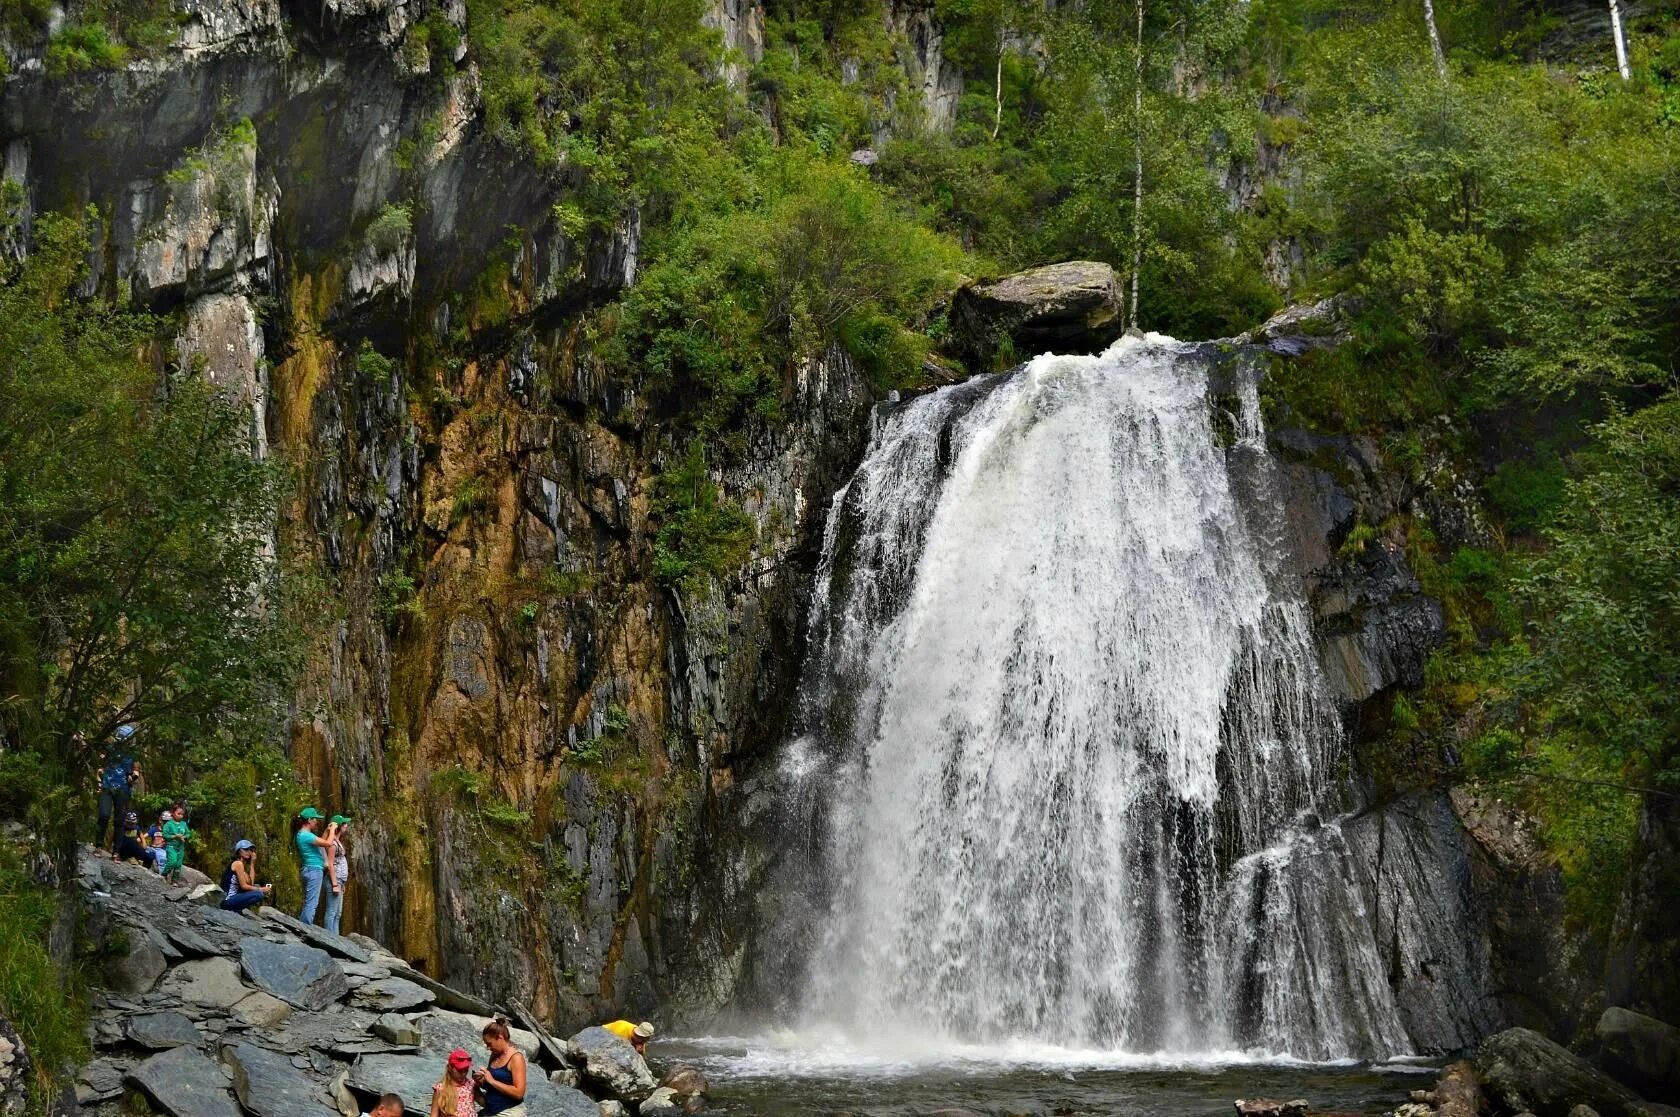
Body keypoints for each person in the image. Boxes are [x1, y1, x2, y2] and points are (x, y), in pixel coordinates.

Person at [95, 725, 140, 854]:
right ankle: (98, 845)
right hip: (107, 787)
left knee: (119, 820)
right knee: (104, 815)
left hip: (123, 790)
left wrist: (132, 777)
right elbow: (100, 766)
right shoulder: (109, 750)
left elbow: (136, 771)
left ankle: (116, 851)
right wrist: (99, 782)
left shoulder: (133, 754)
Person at [474, 1018, 527, 1116]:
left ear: (500, 1037)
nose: (488, 1048)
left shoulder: (516, 1058)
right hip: (491, 1108)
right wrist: (481, 1080)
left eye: (489, 1044)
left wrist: (492, 1081)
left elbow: (519, 1093)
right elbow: (491, 1084)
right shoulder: (495, 1054)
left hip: (508, 1111)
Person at [293, 807, 335, 925]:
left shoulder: (302, 835)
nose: (317, 821)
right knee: (312, 903)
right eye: (315, 819)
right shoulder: (307, 835)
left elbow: (320, 841)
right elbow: (327, 843)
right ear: (309, 820)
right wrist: (332, 831)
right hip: (314, 870)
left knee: (309, 901)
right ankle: (304, 928)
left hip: (308, 869)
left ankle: (301, 927)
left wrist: (327, 831)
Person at [221, 839, 273, 912]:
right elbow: (244, 886)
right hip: (228, 900)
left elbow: (250, 883)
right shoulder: (238, 864)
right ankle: (235, 909)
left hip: (233, 898)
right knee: (258, 894)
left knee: (256, 886)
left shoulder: (241, 865)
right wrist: (261, 889)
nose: (249, 852)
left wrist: (252, 863)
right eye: (245, 849)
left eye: (250, 850)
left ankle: (237, 910)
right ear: (239, 851)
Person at [322, 814, 352, 935]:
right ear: (339, 826)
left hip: (340, 881)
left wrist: (342, 883)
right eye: (344, 823)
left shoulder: (337, 841)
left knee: (338, 913)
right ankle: (329, 939)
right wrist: (335, 884)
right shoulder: (333, 844)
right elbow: (330, 864)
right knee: (331, 912)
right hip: (334, 881)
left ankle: (337, 940)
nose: (346, 825)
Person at [429, 1049, 475, 1117]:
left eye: (466, 1070)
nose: (463, 1073)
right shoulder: (440, 1089)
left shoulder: (471, 1084)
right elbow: (434, 1114)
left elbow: (486, 1103)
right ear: (450, 1067)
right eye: (459, 1070)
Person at [161, 802, 191, 882]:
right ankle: (164, 873)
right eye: (179, 813)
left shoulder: (183, 824)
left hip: (180, 847)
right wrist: (175, 836)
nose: (181, 815)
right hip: (171, 846)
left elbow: (188, 833)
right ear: (173, 813)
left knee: (178, 865)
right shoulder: (168, 824)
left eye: (182, 814)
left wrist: (184, 836)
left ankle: (175, 880)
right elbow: (165, 835)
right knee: (172, 862)